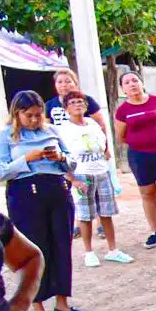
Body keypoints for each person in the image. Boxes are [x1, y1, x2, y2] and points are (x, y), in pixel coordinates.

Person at [0, 91, 87, 311]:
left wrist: (60, 157)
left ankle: (63, 303)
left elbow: (72, 161)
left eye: (38, 115)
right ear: (17, 114)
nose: (35, 120)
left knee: (61, 246)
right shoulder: (5, 135)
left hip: (56, 188)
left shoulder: (50, 130)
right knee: (36, 250)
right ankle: (38, 308)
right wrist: (27, 159)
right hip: (25, 193)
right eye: (29, 116)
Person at [58, 91, 134, 268]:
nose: (78, 105)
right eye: (74, 102)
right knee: (85, 215)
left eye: (81, 102)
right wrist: (72, 179)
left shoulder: (92, 123)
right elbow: (60, 157)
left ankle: (113, 249)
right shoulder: (63, 129)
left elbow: (103, 145)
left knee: (106, 213)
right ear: (66, 107)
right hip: (81, 174)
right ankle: (89, 252)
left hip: (101, 171)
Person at [45, 69, 109, 240]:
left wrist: (106, 148)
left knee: (97, 189)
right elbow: (46, 128)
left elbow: (100, 124)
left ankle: (101, 224)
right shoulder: (50, 105)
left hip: (88, 152)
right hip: (64, 152)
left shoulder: (85, 101)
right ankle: (78, 224)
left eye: (68, 81)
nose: (64, 85)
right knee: (71, 188)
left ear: (75, 82)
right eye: (60, 82)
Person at [114, 70, 156, 249]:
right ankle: (155, 231)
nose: (132, 84)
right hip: (139, 157)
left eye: (135, 80)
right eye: (127, 82)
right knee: (147, 193)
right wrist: (141, 143)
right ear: (123, 89)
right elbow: (121, 136)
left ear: (142, 82)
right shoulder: (123, 110)